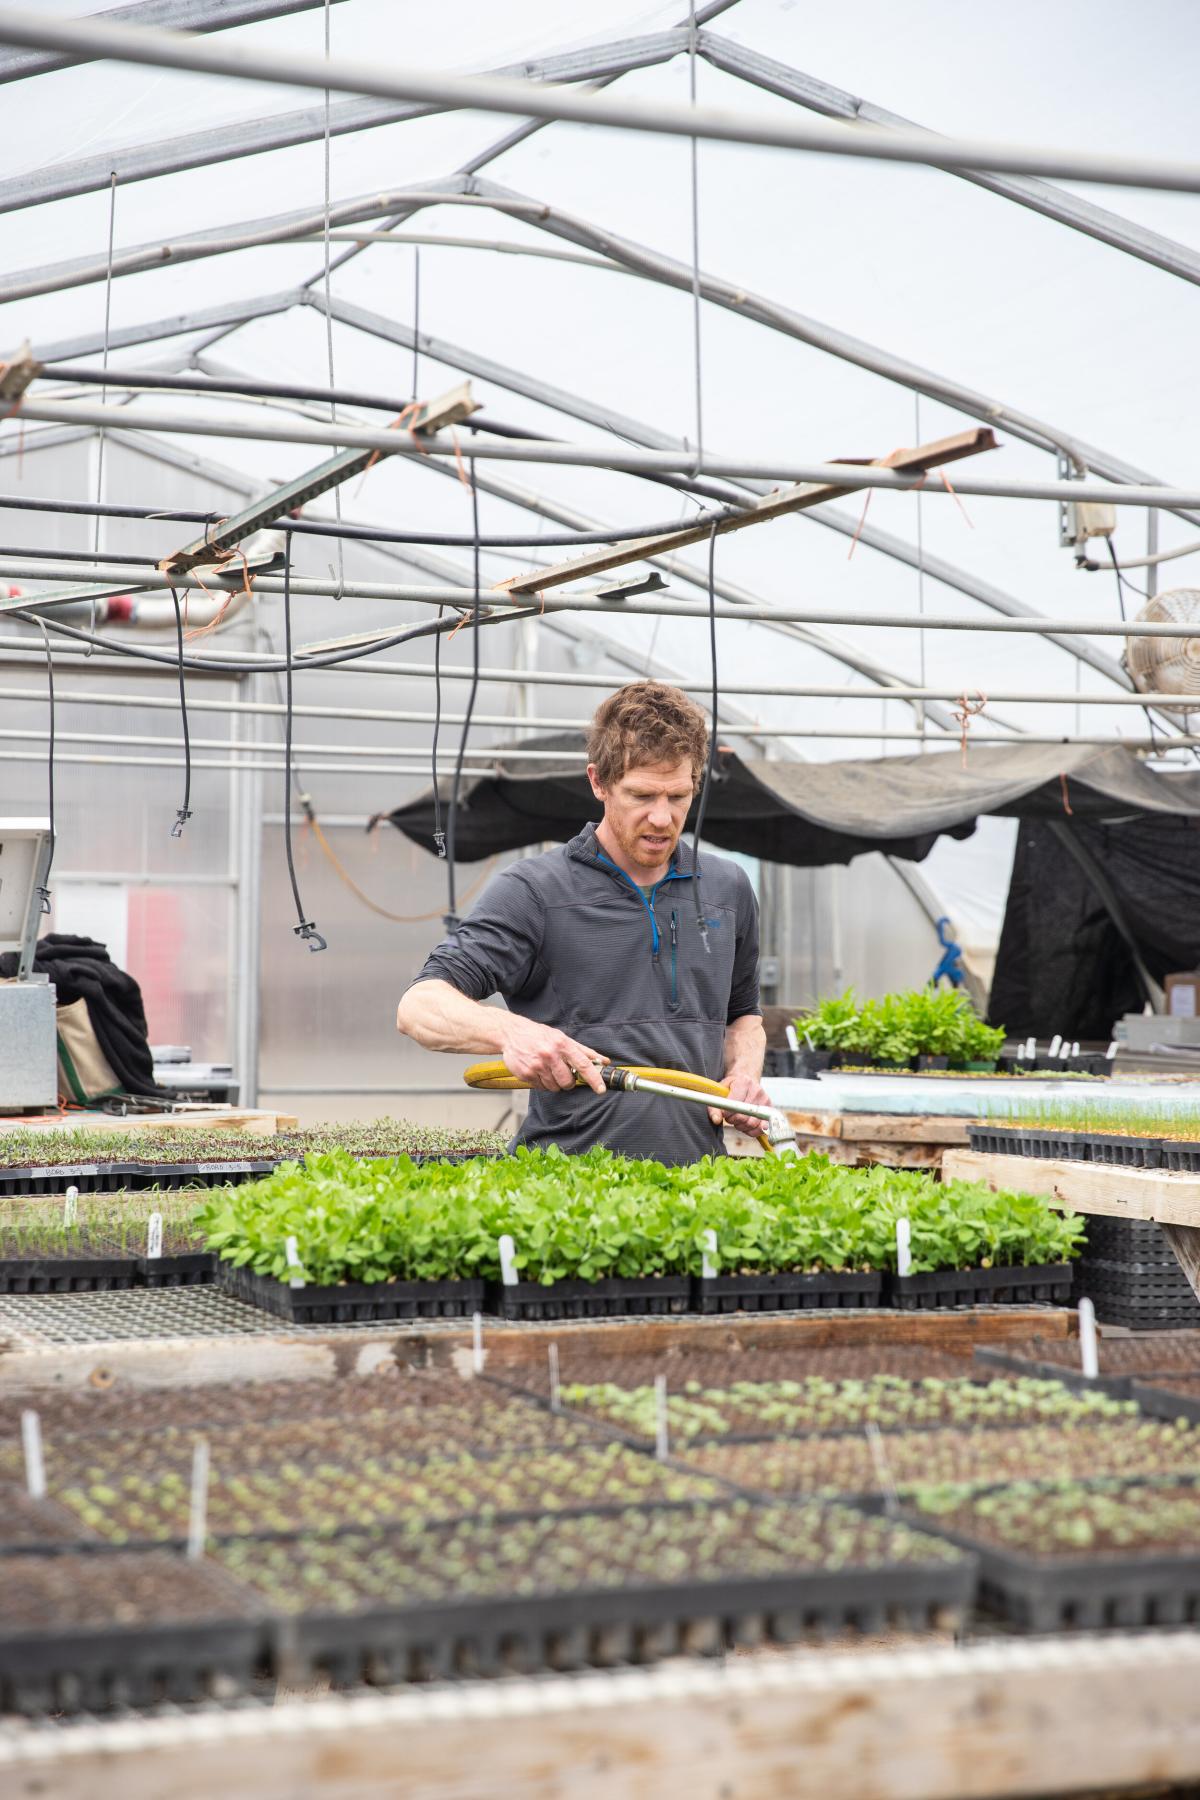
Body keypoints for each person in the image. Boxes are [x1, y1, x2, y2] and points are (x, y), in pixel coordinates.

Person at [396, 681, 769, 1163]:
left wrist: (743, 1076)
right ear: (598, 782)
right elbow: (417, 1007)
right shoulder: (536, 892)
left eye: (678, 796)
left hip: (694, 1189)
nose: (662, 818)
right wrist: (513, 1033)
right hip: (566, 1191)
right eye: (641, 795)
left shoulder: (728, 889)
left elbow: (744, 1018)